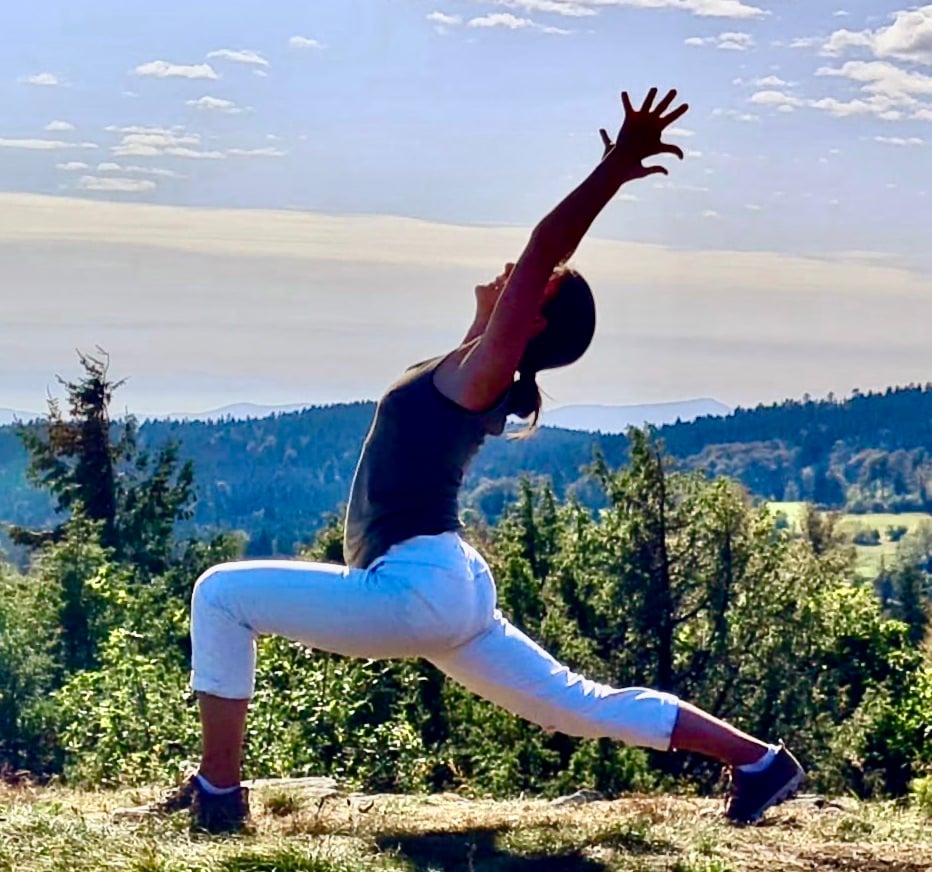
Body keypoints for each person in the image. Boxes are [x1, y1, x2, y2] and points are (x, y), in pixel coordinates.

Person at [116, 87, 804, 833]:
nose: (514, 266)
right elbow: (495, 314)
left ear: (532, 317)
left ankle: (218, 795)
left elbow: (545, 244)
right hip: (446, 586)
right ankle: (762, 762)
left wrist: (614, 166)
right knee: (581, 706)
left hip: (417, 588)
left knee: (220, 594)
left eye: (528, 284)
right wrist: (484, 311)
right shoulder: (475, 367)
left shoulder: (488, 375)